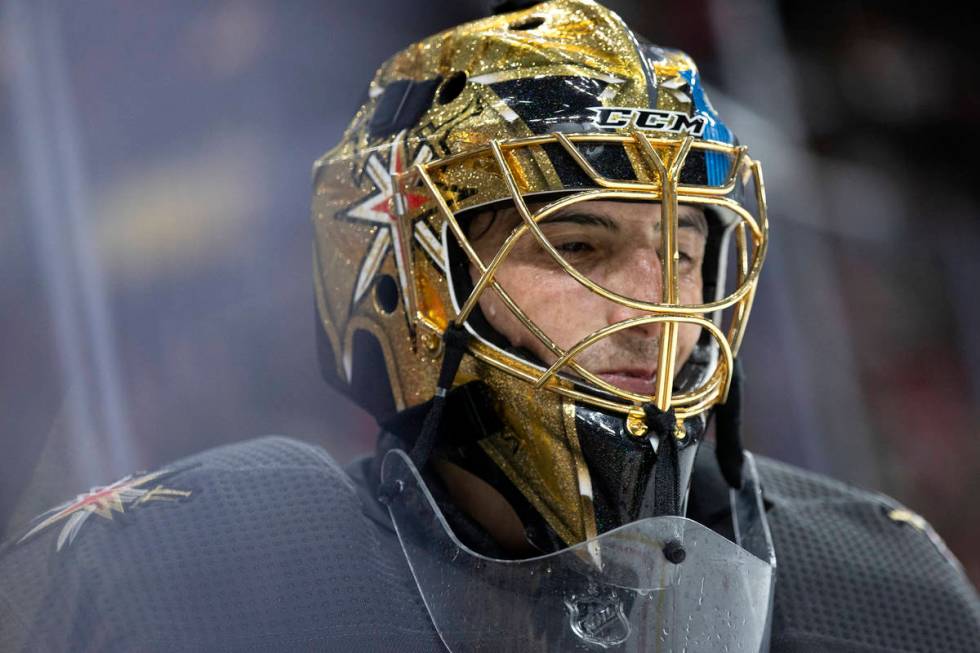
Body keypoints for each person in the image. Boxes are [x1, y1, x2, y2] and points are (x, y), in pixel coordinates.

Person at [1, 1, 977, 651]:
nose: (659, 308)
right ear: (405, 270)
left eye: (682, 253)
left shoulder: (878, 585)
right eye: (581, 248)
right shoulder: (204, 565)